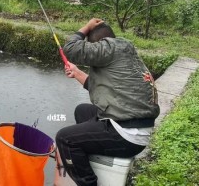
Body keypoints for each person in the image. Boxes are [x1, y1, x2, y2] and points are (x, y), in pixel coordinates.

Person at [55, 18, 160, 186]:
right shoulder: (124, 52)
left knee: (65, 138)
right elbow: (100, 88)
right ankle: (89, 156)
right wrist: (76, 73)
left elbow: (70, 49)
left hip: (129, 135)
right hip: (131, 124)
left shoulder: (109, 48)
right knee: (82, 110)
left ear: (100, 43)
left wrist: (87, 27)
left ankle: (87, 183)